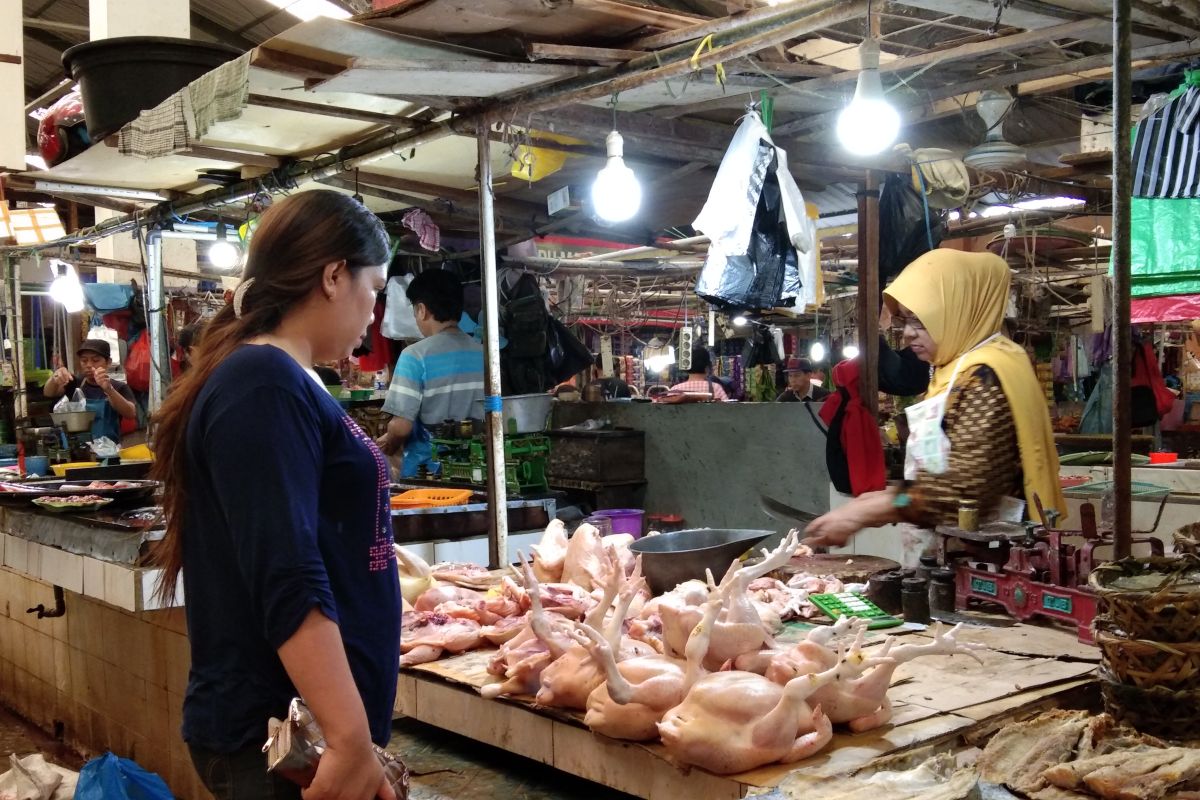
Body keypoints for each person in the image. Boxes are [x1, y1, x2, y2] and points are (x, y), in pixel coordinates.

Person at [149, 190, 400, 800]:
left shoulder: (284, 378)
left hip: (304, 732)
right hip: (279, 738)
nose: (376, 313)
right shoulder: (262, 383)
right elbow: (286, 571)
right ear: (334, 276)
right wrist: (347, 738)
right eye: (375, 287)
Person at [805, 249, 1064, 549]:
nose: (907, 335)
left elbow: (965, 489)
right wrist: (884, 497)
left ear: (957, 310)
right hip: (955, 549)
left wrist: (885, 504)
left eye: (920, 321)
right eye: (904, 321)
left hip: (994, 558)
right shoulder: (954, 368)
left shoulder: (986, 374)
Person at [376, 270, 484, 476]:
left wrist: (389, 441)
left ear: (421, 310)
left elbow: (401, 427)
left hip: (429, 473)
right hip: (479, 468)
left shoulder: (414, 356)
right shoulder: (485, 354)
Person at [44, 339, 138, 442]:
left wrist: (109, 390)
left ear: (108, 362)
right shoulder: (75, 384)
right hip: (80, 451)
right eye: (84, 361)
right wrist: (54, 378)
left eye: (95, 360)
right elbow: (48, 393)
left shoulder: (118, 387)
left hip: (108, 450)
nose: (89, 365)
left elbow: (131, 413)